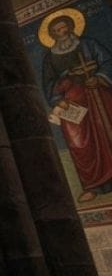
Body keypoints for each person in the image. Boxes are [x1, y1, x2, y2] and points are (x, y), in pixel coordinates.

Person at [40, 10, 112, 201]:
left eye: (63, 28)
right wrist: (57, 99)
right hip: (72, 103)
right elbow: (48, 83)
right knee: (79, 144)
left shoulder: (89, 44)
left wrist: (99, 77)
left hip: (99, 94)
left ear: (71, 27)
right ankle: (92, 186)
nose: (61, 32)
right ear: (52, 35)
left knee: (106, 131)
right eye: (56, 31)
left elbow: (107, 61)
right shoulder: (50, 58)